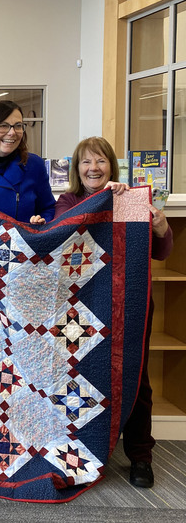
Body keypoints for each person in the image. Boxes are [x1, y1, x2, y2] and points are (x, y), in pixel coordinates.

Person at [55, 136, 172, 489]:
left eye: (101, 161)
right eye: (86, 162)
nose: (94, 168)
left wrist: (161, 226)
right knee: (77, 375)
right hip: (82, 307)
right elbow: (61, 234)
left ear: (112, 166)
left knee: (135, 377)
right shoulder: (68, 201)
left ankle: (140, 456)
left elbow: (161, 252)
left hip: (129, 303)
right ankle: (77, 450)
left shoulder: (131, 199)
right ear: (77, 169)